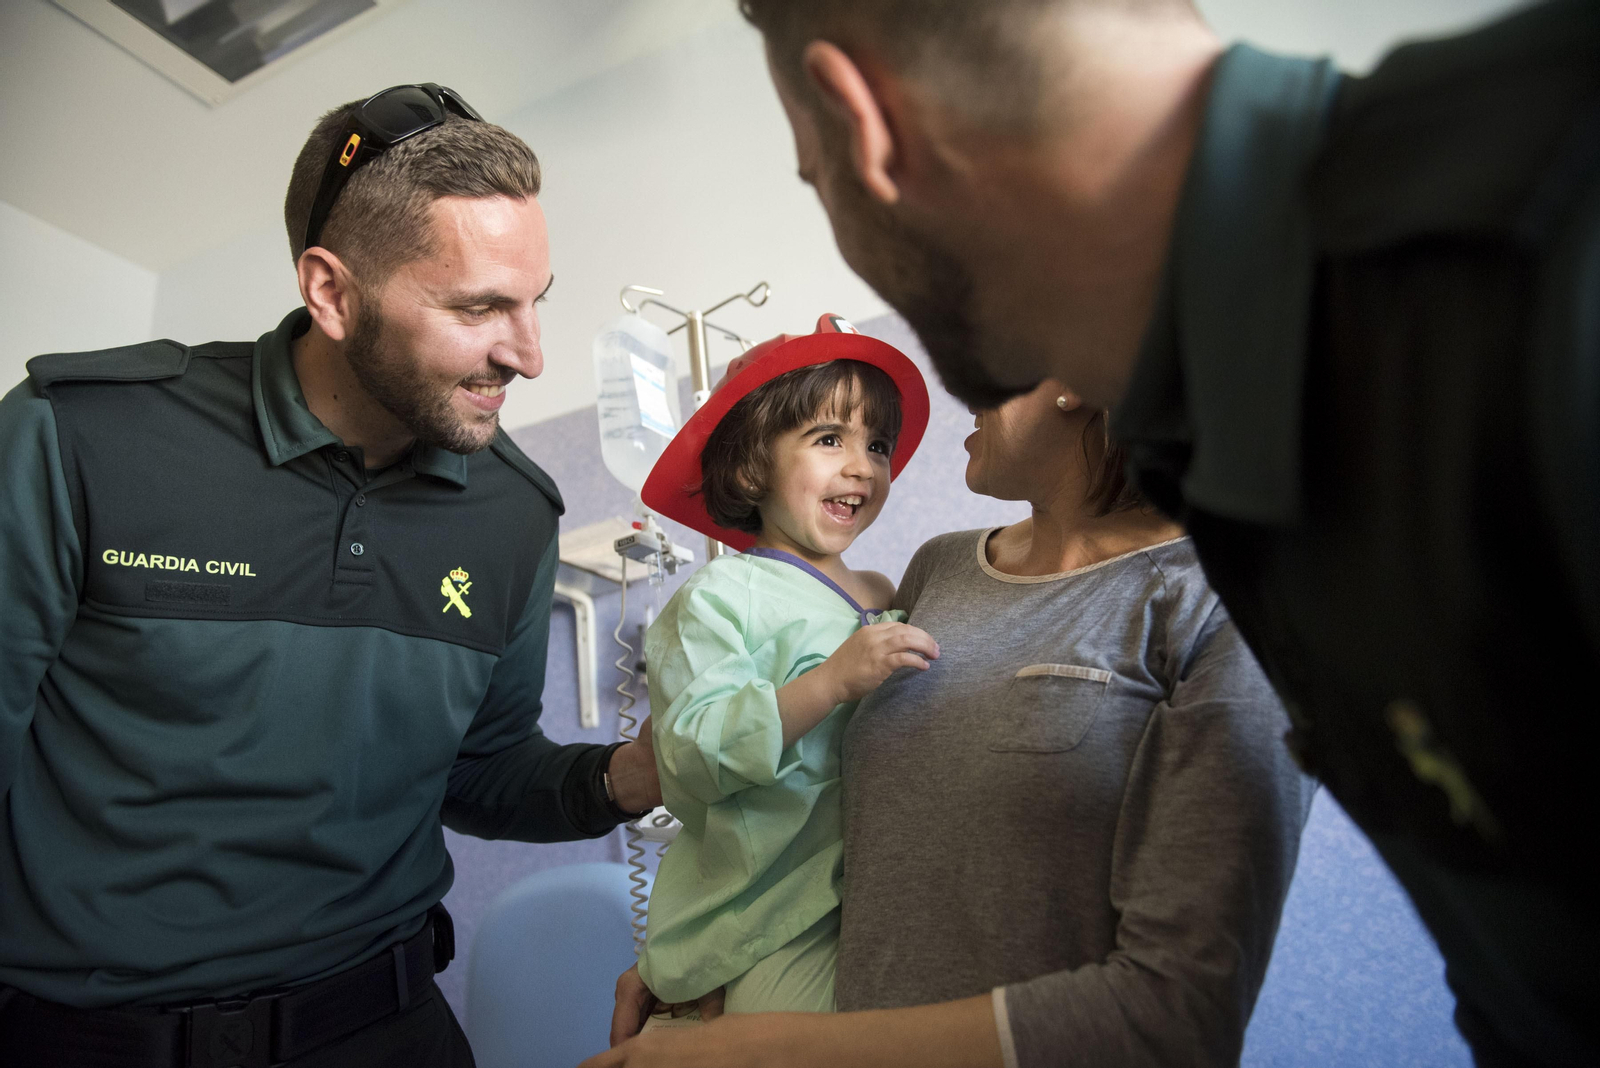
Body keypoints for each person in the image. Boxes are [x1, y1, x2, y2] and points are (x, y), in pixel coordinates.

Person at [734, 1, 1600, 1065]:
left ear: (867, 130)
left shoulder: (1550, 228)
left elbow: (1172, 1004)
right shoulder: (1233, 476)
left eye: (812, 182)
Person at [0, 83, 660, 1067]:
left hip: (384, 1029)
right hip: (91, 1040)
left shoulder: (513, 513)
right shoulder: (81, 435)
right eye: (480, 307)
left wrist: (633, 773)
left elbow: (482, 771)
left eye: (534, 304)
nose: (527, 353)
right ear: (332, 293)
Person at [597, 380, 1313, 1068]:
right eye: (826, 437)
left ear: (1078, 373)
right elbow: (836, 813)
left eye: (984, 354)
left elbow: (1178, 1016)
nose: (958, 391)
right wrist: (714, 951)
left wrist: (771, 1050)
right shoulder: (938, 573)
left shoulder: (1229, 610)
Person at [624, 316, 937, 1020]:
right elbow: (695, 753)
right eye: (829, 439)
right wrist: (828, 684)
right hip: (766, 922)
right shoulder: (717, 600)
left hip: (872, 897)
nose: (862, 465)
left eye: (877, 445)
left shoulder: (887, 597)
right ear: (749, 468)